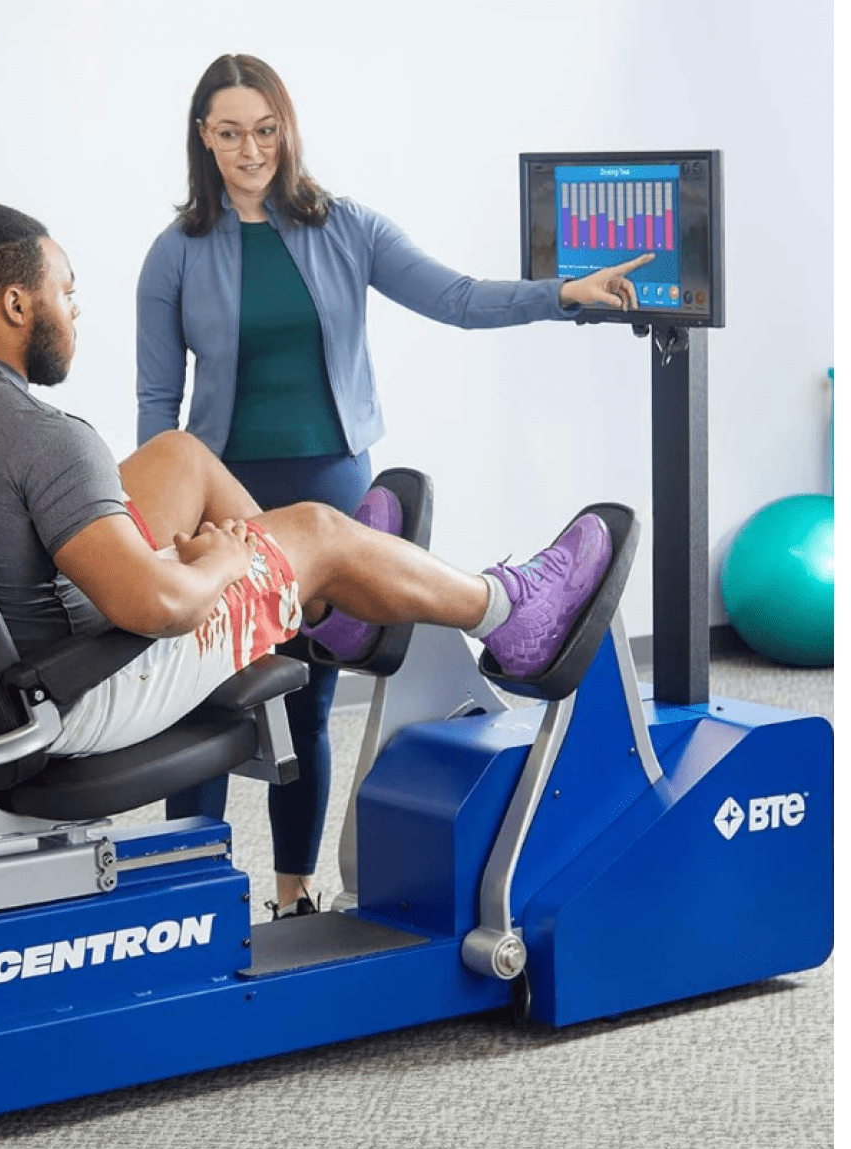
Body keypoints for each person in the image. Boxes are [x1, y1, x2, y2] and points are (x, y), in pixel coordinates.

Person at [0, 195, 616, 874]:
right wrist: (223, 563)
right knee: (317, 530)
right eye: (65, 292)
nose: (74, 311)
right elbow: (157, 607)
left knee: (180, 455)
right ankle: (508, 612)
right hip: (74, 691)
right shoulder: (42, 436)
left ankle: (330, 608)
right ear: (15, 304)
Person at [135, 52, 652, 916]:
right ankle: (189, 897)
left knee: (306, 697)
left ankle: (293, 890)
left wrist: (564, 293)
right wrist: (159, 529)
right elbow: (159, 405)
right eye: (230, 133)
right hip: (223, 495)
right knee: (206, 698)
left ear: (286, 129)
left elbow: (457, 298)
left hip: (334, 483)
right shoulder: (174, 254)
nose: (250, 150)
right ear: (203, 138)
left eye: (265, 130)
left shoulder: (345, 226)